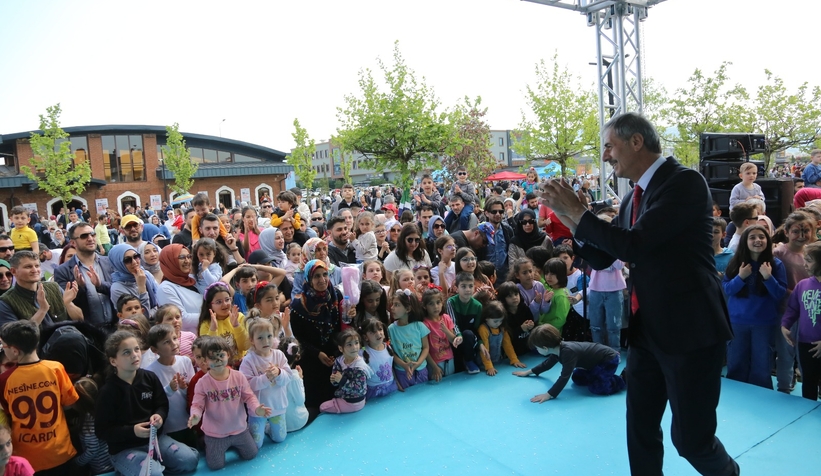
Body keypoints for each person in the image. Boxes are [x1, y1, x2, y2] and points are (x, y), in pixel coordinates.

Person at [540, 112, 737, 476]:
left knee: (692, 441)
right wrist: (567, 218)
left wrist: (579, 210)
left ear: (636, 142)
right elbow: (605, 255)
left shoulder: (685, 182)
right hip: (647, 331)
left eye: (609, 146)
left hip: (690, 331)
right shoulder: (633, 197)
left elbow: (635, 245)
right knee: (640, 428)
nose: (605, 156)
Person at [0, 321, 79, 475]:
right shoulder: (55, 368)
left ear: (14, 351)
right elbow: (70, 402)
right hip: (59, 450)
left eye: (4, 346)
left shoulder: (4, 380)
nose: (3, 349)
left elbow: (9, 413)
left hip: (27, 458)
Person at [187, 337, 271, 471]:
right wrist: (195, 415)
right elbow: (197, 404)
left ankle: (230, 445)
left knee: (251, 454)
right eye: (212, 357)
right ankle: (206, 442)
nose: (218, 360)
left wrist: (257, 408)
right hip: (215, 434)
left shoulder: (238, 376)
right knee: (216, 466)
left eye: (221, 355)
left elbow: (249, 397)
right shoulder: (202, 383)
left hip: (239, 429)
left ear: (228, 355)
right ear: (205, 360)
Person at [722, 225, 786, 389]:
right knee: (736, 363)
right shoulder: (735, 263)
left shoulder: (776, 264)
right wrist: (740, 277)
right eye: (752, 237)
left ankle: (761, 397)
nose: (758, 240)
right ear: (745, 241)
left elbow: (780, 294)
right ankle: (737, 397)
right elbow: (727, 289)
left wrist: (768, 277)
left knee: (762, 366)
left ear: (768, 241)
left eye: (762, 237)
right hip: (737, 322)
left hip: (764, 323)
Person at [513, 323, 625, 399]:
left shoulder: (568, 352)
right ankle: (597, 375)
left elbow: (564, 377)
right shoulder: (557, 349)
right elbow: (547, 364)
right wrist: (529, 372)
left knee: (597, 388)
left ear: (545, 348)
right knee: (577, 378)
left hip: (608, 360)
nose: (537, 350)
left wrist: (549, 394)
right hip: (593, 363)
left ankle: (622, 378)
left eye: (537, 348)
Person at [289, 260, 343, 415]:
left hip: (334, 354)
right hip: (311, 358)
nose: (322, 279)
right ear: (308, 279)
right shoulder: (299, 306)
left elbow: (340, 327)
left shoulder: (336, 296)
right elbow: (298, 338)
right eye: (316, 276)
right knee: (316, 404)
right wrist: (318, 353)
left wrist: (335, 352)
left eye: (325, 274)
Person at [239, 318, 291, 447]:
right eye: (260, 338)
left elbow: (288, 377)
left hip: (277, 406)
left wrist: (279, 372)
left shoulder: (279, 355)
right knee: (256, 444)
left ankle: (268, 428)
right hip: (258, 410)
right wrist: (266, 378)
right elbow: (246, 385)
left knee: (279, 438)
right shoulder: (248, 360)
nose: (266, 341)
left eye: (269, 336)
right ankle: (255, 429)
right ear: (252, 340)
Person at [54, 222, 117, 327]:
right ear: (73, 242)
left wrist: (100, 285)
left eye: (92, 234)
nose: (90, 238)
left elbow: (119, 291)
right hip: (87, 330)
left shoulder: (109, 262)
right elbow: (67, 304)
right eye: (84, 236)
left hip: (115, 325)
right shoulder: (62, 271)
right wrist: (80, 287)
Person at [144, 324, 197, 447]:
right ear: (154, 349)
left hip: (189, 421)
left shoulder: (185, 361)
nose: (174, 344)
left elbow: (194, 391)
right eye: (166, 342)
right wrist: (169, 389)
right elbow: (154, 400)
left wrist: (184, 388)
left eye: (174, 338)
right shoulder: (150, 372)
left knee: (195, 450)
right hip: (169, 426)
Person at [781, 241, 821, 400]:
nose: (805, 264)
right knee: (808, 381)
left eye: (809, 261)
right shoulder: (802, 285)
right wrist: (785, 325)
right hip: (805, 343)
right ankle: (807, 408)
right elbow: (793, 309)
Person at [0, 251, 83, 326]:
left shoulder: (54, 287)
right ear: (13, 271)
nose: (35, 270)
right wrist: (42, 310)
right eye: (28, 267)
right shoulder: (6, 301)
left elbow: (80, 319)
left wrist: (68, 304)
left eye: (37, 266)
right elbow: (16, 336)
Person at [321, 328, 372, 414]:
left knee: (323, 407)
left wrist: (342, 380)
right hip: (343, 396)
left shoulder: (360, 366)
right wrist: (334, 380)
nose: (354, 347)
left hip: (354, 401)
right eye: (349, 344)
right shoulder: (339, 360)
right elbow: (335, 378)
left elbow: (358, 389)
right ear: (341, 348)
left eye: (356, 343)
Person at [388, 289, 430, 389]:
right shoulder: (391, 329)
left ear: (407, 309)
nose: (392, 308)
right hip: (402, 372)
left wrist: (418, 363)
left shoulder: (420, 326)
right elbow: (391, 353)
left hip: (421, 370)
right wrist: (404, 365)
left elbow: (426, 348)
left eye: (397, 305)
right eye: (393, 304)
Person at [157, 244, 201, 333]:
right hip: (189, 339)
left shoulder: (193, 279)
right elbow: (182, 318)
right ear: (170, 261)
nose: (187, 261)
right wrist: (212, 315)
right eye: (182, 257)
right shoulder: (165, 288)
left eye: (189, 256)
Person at [108, 243, 160, 320]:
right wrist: (142, 287)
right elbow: (141, 317)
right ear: (118, 263)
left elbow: (160, 302)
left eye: (136, 256)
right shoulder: (117, 289)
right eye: (127, 260)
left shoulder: (146, 274)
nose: (134, 262)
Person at [358, 317, 397, 398]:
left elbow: (391, 368)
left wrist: (398, 383)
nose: (378, 334)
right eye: (372, 332)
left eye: (380, 329)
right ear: (365, 337)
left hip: (391, 386)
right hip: (373, 391)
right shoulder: (362, 353)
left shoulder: (388, 347)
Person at [277, 336, 309, 432]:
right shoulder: (294, 376)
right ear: (297, 356)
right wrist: (300, 379)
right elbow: (300, 401)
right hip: (297, 422)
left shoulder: (274, 373)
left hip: (279, 423)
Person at [445, 166, 478, 231]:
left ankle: (463, 233)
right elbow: (451, 197)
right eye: (460, 174)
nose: (462, 175)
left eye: (464, 173)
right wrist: (455, 193)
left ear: (467, 175)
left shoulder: (470, 185)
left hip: (468, 204)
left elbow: (471, 198)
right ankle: (446, 233)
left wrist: (461, 192)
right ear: (457, 175)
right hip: (457, 204)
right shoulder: (454, 184)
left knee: (463, 217)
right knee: (447, 219)